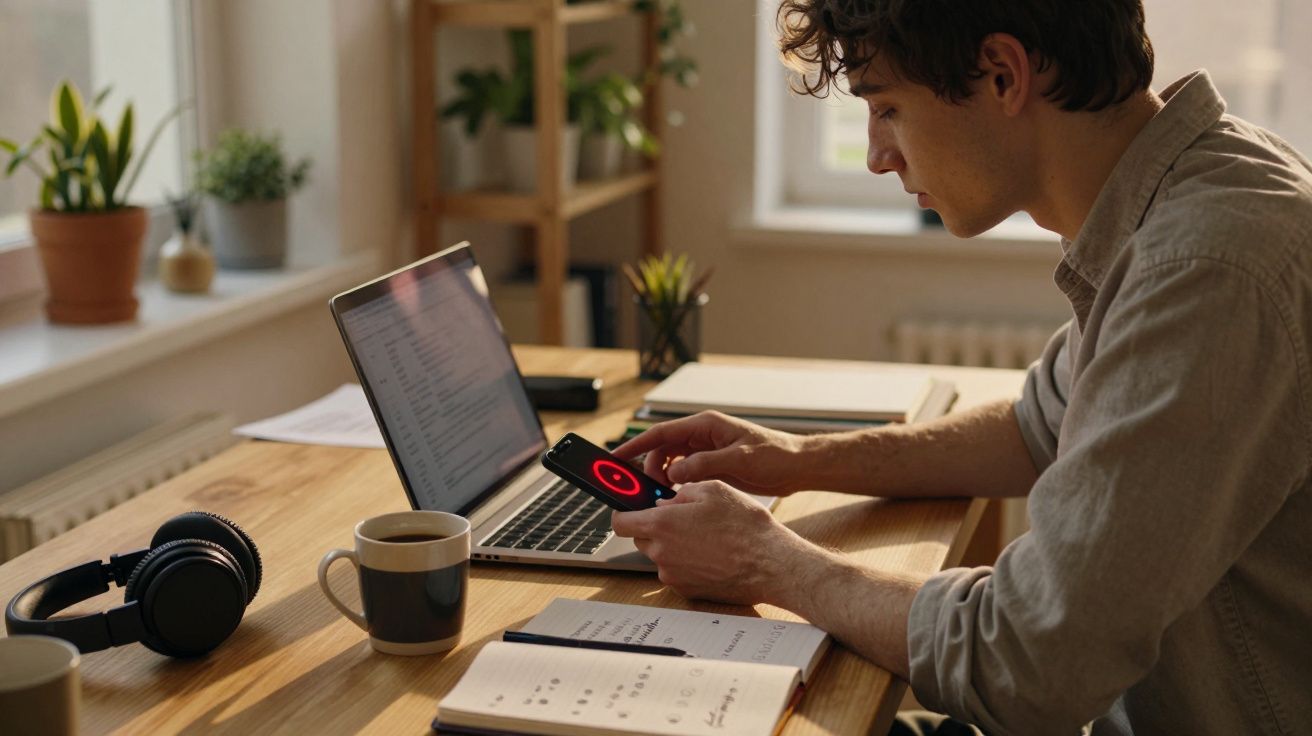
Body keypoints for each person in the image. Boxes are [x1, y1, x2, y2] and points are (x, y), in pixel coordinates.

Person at [608, 1, 1312, 734]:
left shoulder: (1207, 270)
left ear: (1003, 75)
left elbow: (1030, 662)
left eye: (887, 109)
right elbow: (1033, 429)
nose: (878, 154)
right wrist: (793, 458)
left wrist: (767, 561)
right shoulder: (1191, 192)